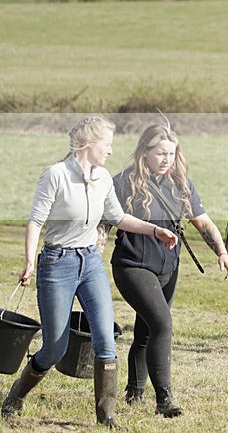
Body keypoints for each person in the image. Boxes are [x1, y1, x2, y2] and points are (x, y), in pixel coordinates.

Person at [2, 116, 178, 428]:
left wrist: (154, 230)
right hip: (57, 263)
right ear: (88, 144)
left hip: (91, 262)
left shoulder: (104, 178)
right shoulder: (56, 175)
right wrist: (30, 261)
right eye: (107, 144)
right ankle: (16, 395)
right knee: (55, 348)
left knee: (105, 340)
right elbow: (35, 221)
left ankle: (105, 415)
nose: (111, 151)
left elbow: (118, 216)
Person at [109, 123, 228, 417]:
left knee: (146, 332)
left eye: (171, 153)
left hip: (168, 267)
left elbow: (202, 221)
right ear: (144, 152)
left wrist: (222, 252)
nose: (166, 158)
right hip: (132, 265)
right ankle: (164, 399)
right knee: (162, 325)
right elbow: (103, 223)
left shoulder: (181, 184)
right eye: (160, 153)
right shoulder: (124, 182)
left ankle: (134, 392)